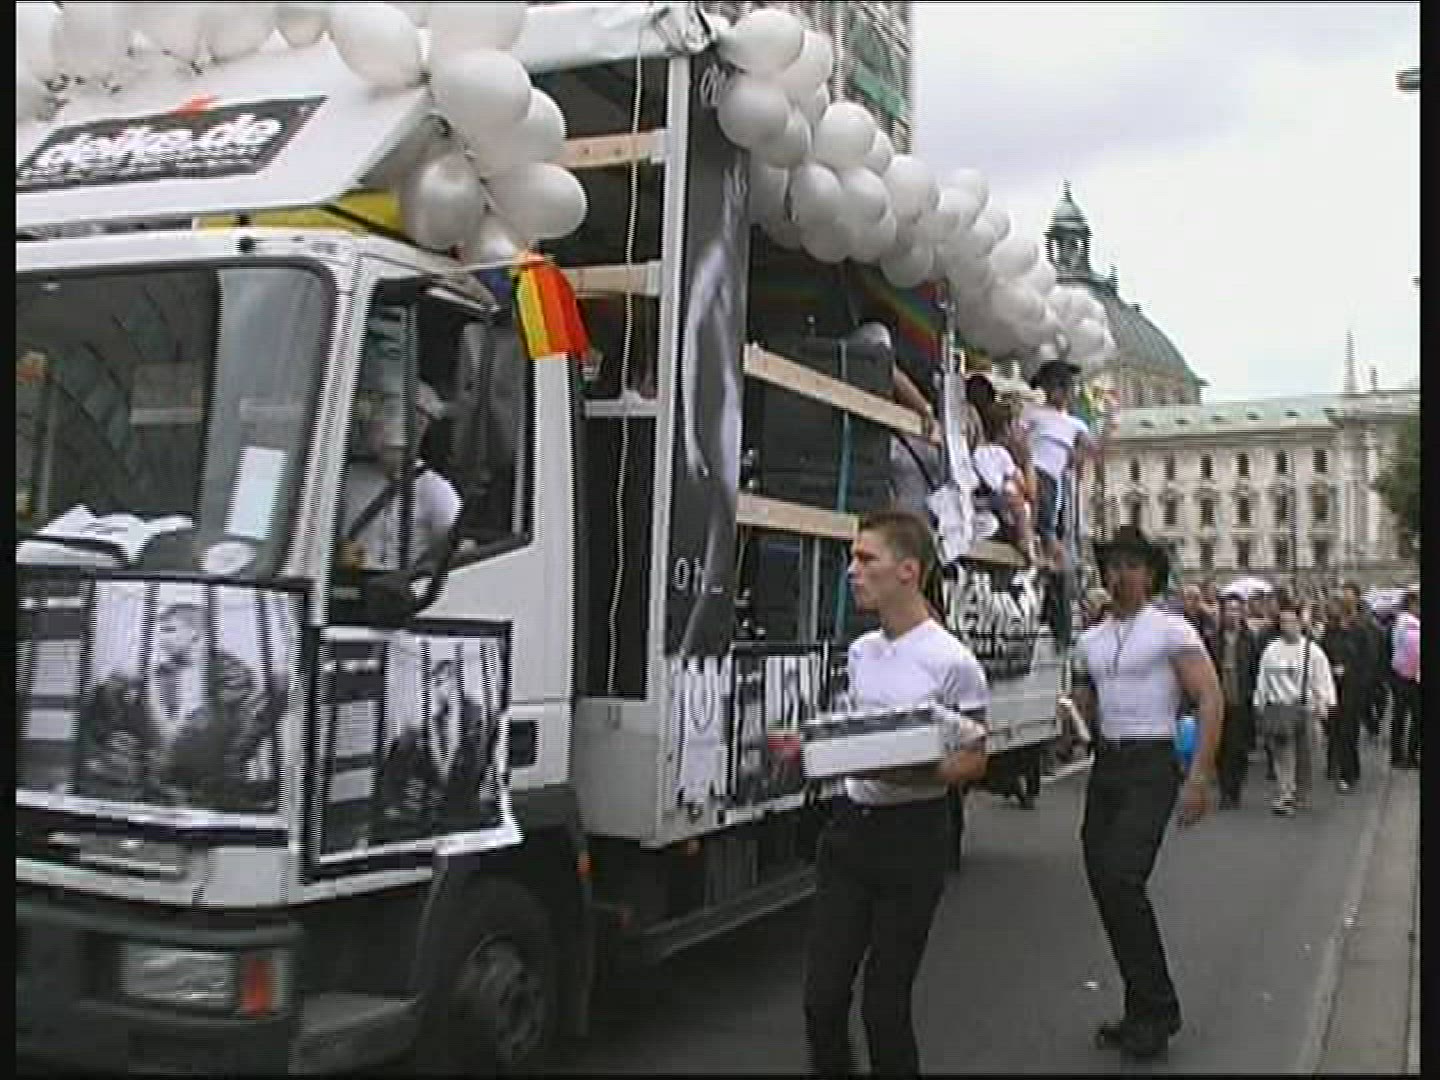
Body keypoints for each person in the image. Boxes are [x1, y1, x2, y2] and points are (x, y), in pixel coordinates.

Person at [803, 509, 989, 1077]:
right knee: (822, 999)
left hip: (913, 838)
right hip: (850, 831)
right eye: (852, 558)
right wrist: (815, 748)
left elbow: (975, 756)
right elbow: (859, 736)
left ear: (908, 570)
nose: (852, 571)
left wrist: (915, 776)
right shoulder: (861, 651)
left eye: (866, 559)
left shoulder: (954, 661)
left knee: (885, 1005)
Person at [1069, 525, 1223, 1062]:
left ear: (1151, 574)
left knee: (1122, 878)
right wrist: (1070, 718)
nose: (1121, 575)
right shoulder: (1091, 639)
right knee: (1106, 885)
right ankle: (1142, 1007)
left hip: (1152, 764)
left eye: (1132, 566)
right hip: (1108, 765)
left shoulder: (1171, 630)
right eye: (1114, 566)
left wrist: (1199, 776)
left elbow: (1209, 698)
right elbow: (1085, 702)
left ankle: (1158, 1010)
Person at [74, 600, 282, 810]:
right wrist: (110, 691)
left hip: (210, 784)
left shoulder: (231, 673)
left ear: (196, 634)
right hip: (158, 785)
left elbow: (217, 729)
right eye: (161, 631)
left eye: (170, 630)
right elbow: (120, 724)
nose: (161, 638)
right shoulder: (157, 676)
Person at [340, 381, 461, 574]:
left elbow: (456, 548)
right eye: (380, 416)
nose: (382, 427)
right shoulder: (346, 479)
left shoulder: (435, 489)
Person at [1018, 357, 1100, 572]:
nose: (1066, 392)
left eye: (1069, 387)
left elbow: (1092, 449)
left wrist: (1107, 429)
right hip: (1033, 468)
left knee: (1049, 520)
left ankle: (1053, 558)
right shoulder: (1032, 412)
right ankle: (1048, 554)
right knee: (1040, 519)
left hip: (1054, 478)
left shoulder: (1075, 423)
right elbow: (1019, 437)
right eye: (1060, 386)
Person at [1254, 603, 1335, 815]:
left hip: (1306, 709)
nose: (1287, 626)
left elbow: (1322, 678)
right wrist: (1260, 702)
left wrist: (1324, 703)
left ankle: (1301, 792)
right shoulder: (1271, 650)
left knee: (1305, 754)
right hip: (1279, 708)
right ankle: (1285, 793)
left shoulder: (1312, 651)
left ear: (1300, 624)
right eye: (1283, 622)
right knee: (1282, 753)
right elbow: (1263, 677)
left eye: (1291, 621)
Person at [1320, 587, 1376, 794]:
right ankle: (1336, 765)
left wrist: (1350, 671)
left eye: (1335, 605)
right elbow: (1322, 654)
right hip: (1332, 688)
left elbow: (1369, 660)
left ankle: (1348, 773)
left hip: (1353, 689)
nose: (1331, 609)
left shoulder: (1360, 630)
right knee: (1334, 730)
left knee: (1348, 732)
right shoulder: (1330, 631)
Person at [1214, 596, 1262, 808]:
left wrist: (1255, 695)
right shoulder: (1213, 639)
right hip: (1219, 700)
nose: (1232, 614)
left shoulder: (1250, 639)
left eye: (1236, 610)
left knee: (1238, 748)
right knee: (1221, 747)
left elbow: (1256, 669)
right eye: (1228, 610)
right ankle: (1225, 790)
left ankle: (1235, 789)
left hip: (1242, 700)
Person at [1389, 588, 1421, 769]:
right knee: (1415, 717)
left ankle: (1397, 755)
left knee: (1399, 716)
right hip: (1411, 677)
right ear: (1412, 605)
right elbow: (1414, 654)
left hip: (1399, 674)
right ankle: (1410, 755)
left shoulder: (1399, 623)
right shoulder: (1411, 625)